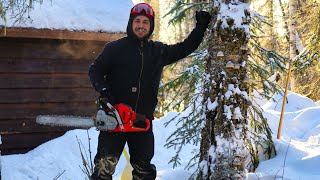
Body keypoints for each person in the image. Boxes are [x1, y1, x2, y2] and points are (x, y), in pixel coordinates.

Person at [88, 3, 211, 180]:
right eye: (137, 21)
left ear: (150, 26)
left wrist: (201, 27)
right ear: (131, 23)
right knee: (103, 170)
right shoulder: (115, 49)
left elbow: (185, 47)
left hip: (141, 121)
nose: (141, 25)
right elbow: (95, 70)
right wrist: (105, 91)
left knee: (144, 171)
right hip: (114, 119)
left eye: (146, 22)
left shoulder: (158, 51)